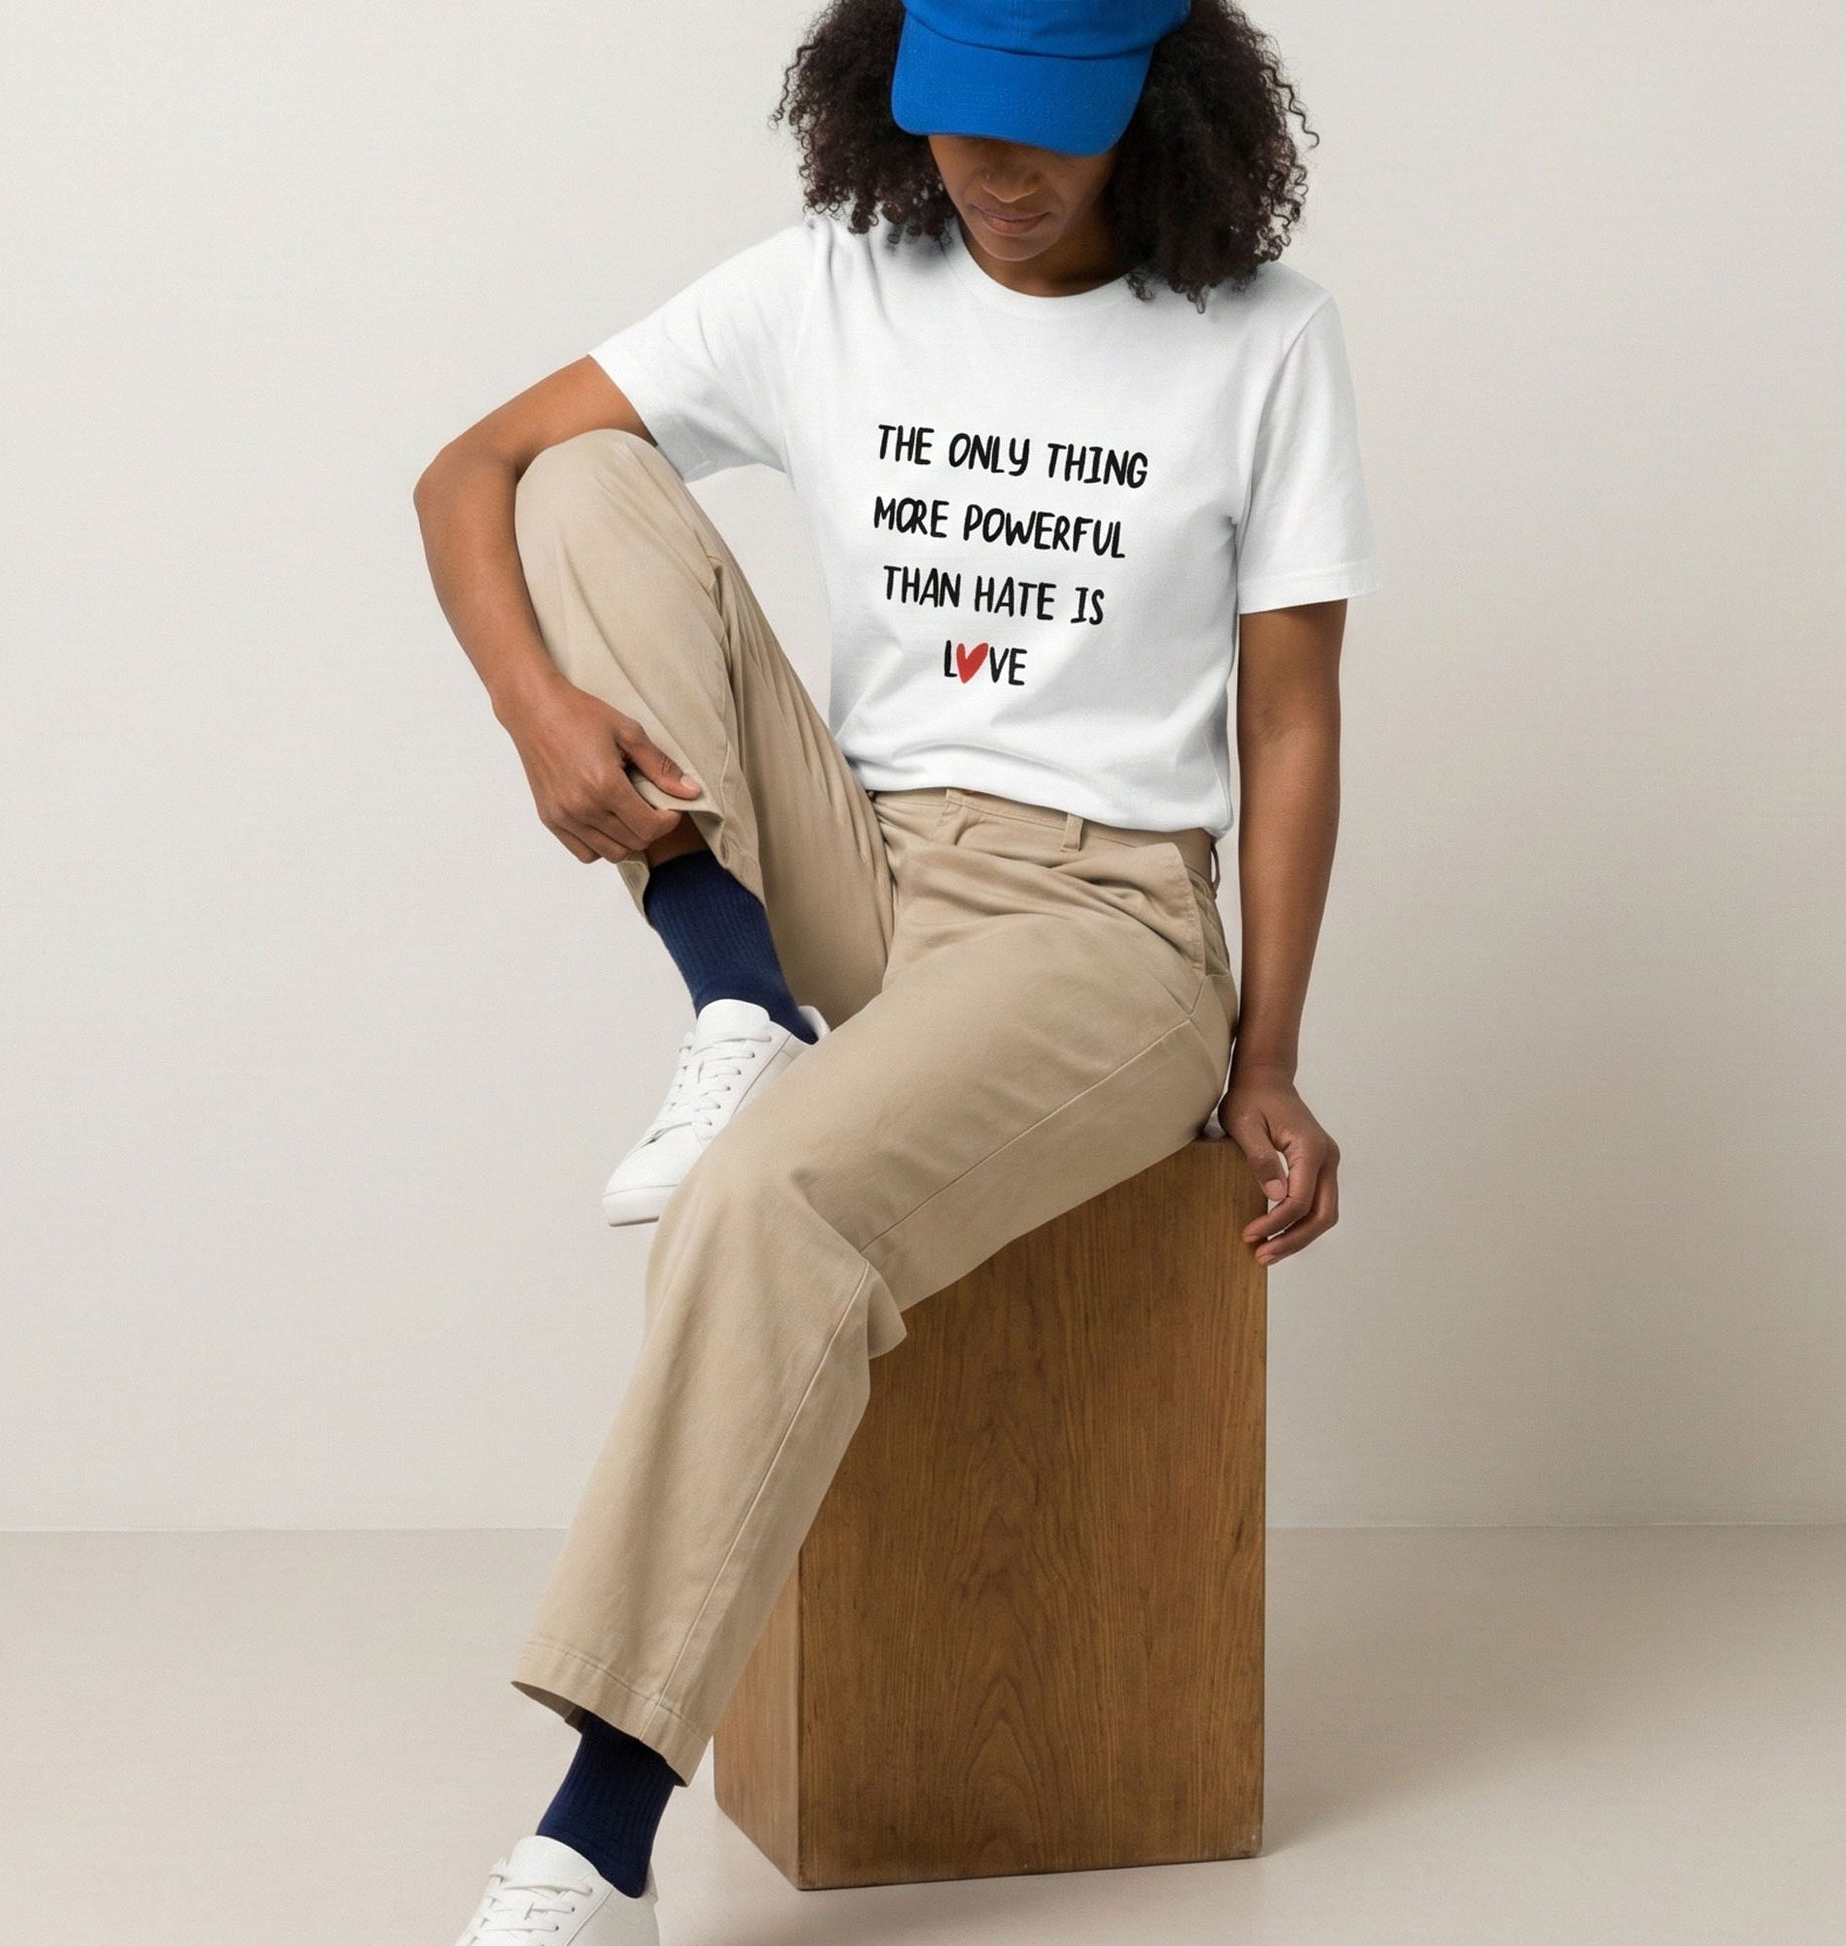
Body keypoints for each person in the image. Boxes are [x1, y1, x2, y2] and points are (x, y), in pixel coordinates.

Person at [413, 0, 1378, 1935]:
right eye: (953, 124)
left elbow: (1288, 724)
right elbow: (467, 470)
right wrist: (537, 714)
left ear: (1159, 110)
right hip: (865, 857)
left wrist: (1265, 1050)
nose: (991, 173)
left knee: (765, 1203)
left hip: (1100, 928)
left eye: (1045, 129)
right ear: (887, 95)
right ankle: (739, 1001)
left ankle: (593, 1843)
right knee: (579, 480)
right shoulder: (832, 284)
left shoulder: (1262, 342)